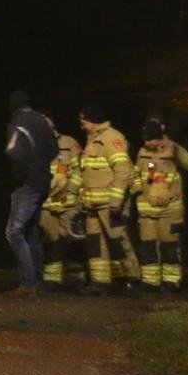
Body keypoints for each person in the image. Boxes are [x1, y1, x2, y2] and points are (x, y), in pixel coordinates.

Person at [77, 104, 142, 293]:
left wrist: (116, 201)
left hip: (108, 203)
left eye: (84, 122)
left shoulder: (112, 139)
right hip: (92, 204)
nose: (82, 126)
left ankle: (132, 278)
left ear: (93, 121)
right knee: (95, 243)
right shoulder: (93, 140)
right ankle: (100, 282)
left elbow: (122, 171)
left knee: (118, 240)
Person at [131, 117, 188, 291]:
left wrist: (177, 152)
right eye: (145, 139)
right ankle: (150, 281)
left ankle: (171, 281)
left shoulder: (173, 148)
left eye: (150, 139)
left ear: (159, 136)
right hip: (146, 209)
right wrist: (137, 189)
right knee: (147, 246)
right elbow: (135, 173)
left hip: (170, 210)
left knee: (170, 245)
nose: (147, 142)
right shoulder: (142, 151)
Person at [4, 90, 58, 294]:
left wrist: (18, 177)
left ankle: (29, 281)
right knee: (30, 230)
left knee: (14, 232)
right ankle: (37, 277)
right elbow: (54, 150)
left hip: (27, 183)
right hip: (43, 181)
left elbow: (13, 152)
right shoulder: (42, 121)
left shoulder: (18, 122)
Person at [39, 120, 87, 290]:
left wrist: (70, 188)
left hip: (68, 203)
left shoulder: (69, 143)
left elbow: (81, 170)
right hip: (46, 203)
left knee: (72, 240)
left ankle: (76, 277)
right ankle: (52, 279)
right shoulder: (37, 145)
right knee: (51, 240)